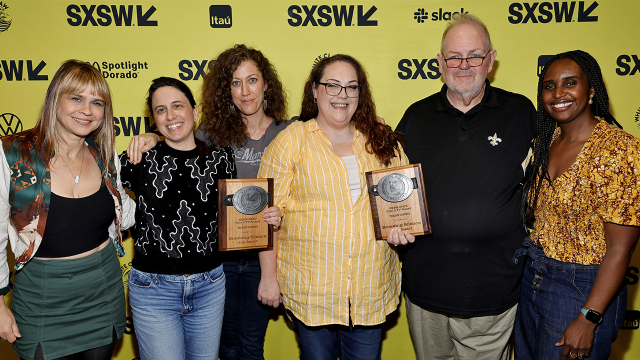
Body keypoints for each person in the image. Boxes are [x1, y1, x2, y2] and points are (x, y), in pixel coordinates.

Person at [126, 44, 285, 360]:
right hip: (218, 262)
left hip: (263, 257)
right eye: (235, 83)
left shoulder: (289, 132)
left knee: (251, 346)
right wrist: (153, 138)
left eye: (251, 80)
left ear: (266, 83)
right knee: (224, 348)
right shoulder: (214, 135)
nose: (244, 91)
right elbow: (178, 136)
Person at [393, 13, 536, 360]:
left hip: (494, 292)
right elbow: (392, 189)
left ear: (490, 59)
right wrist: (392, 225)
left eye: (474, 55)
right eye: (454, 57)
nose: (463, 65)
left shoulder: (521, 112)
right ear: (440, 63)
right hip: (426, 291)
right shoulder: (416, 116)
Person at [258, 54, 411, 360]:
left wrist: (401, 230)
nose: (342, 95)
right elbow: (266, 216)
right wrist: (268, 278)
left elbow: (404, 205)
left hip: (370, 288)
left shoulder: (381, 141)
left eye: (351, 87)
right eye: (333, 86)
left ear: (360, 94)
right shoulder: (291, 141)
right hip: (312, 291)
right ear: (314, 90)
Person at [0, 59, 136, 360]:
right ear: (55, 99)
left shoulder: (105, 153)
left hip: (102, 289)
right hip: (42, 298)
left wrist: (155, 148)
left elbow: (126, 215)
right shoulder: (12, 154)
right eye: (76, 98)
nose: (87, 110)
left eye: (96, 102)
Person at [513, 50, 640, 360]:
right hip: (534, 276)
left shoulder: (619, 149)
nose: (558, 94)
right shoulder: (546, 140)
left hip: (582, 287)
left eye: (570, 83)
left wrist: (589, 317)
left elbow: (620, 249)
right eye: (549, 85)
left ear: (592, 89)